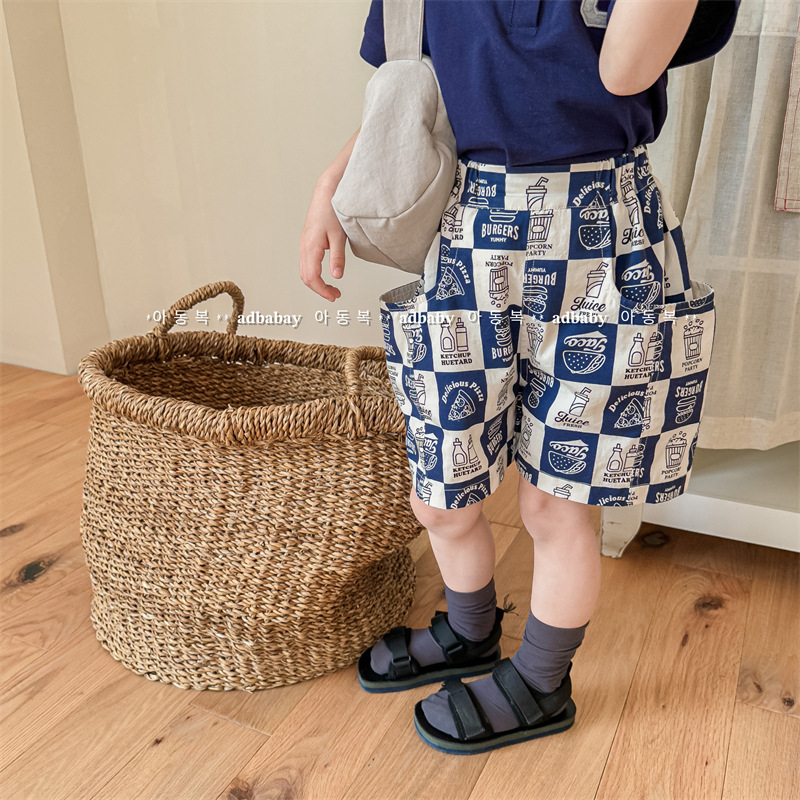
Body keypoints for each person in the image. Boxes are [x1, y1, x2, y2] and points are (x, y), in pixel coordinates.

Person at [299, 0, 740, 755]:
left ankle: (542, 678)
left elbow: (624, 68)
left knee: (555, 503)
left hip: (605, 237)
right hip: (468, 233)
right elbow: (413, 88)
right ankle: (471, 631)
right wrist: (328, 187)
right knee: (439, 483)